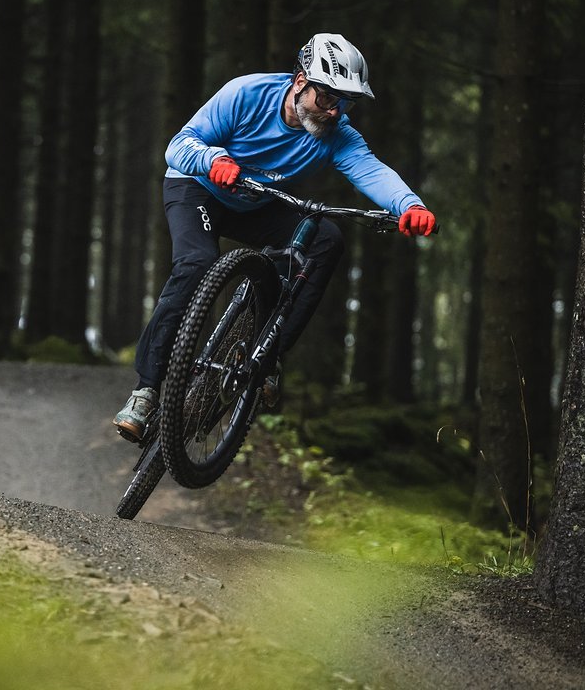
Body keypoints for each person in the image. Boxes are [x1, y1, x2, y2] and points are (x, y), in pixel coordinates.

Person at [113, 33, 437, 442]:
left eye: (346, 102)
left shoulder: (337, 133)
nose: (335, 111)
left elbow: (372, 171)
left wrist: (410, 206)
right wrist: (214, 159)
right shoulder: (247, 93)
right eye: (328, 98)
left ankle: (266, 353)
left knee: (325, 240)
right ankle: (145, 390)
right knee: (196, 263)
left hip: (257, 202)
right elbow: (179, 146)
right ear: (300, 82)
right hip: (198, 187)